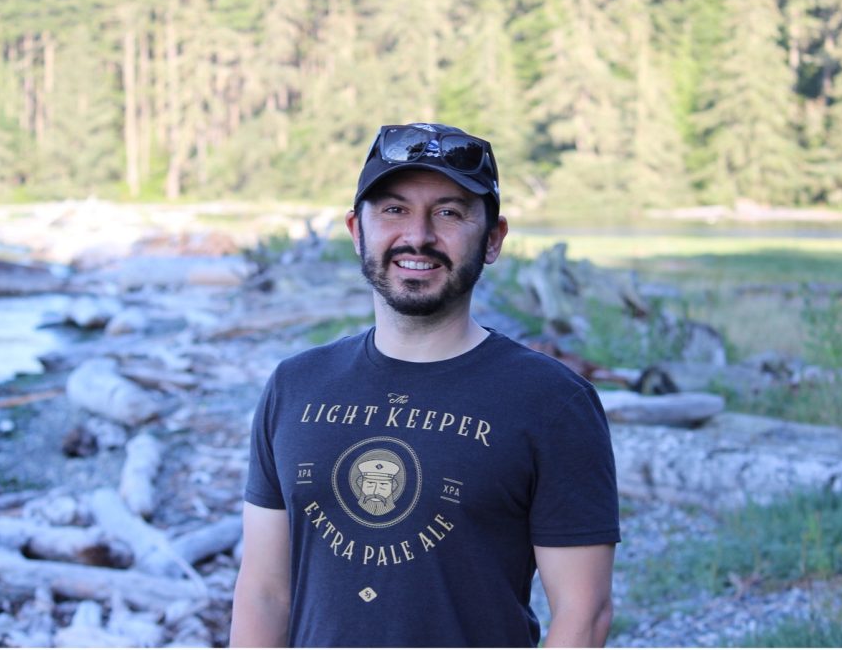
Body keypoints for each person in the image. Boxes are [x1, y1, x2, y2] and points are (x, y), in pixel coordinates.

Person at [230, 123, 620, 647]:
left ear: (493, 238)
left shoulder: (551, 402)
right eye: (394, 209)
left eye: (449, 213)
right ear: (356, 230)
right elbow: (263, 592)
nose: (418, 236)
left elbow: (584, 613)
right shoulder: (295, 386)